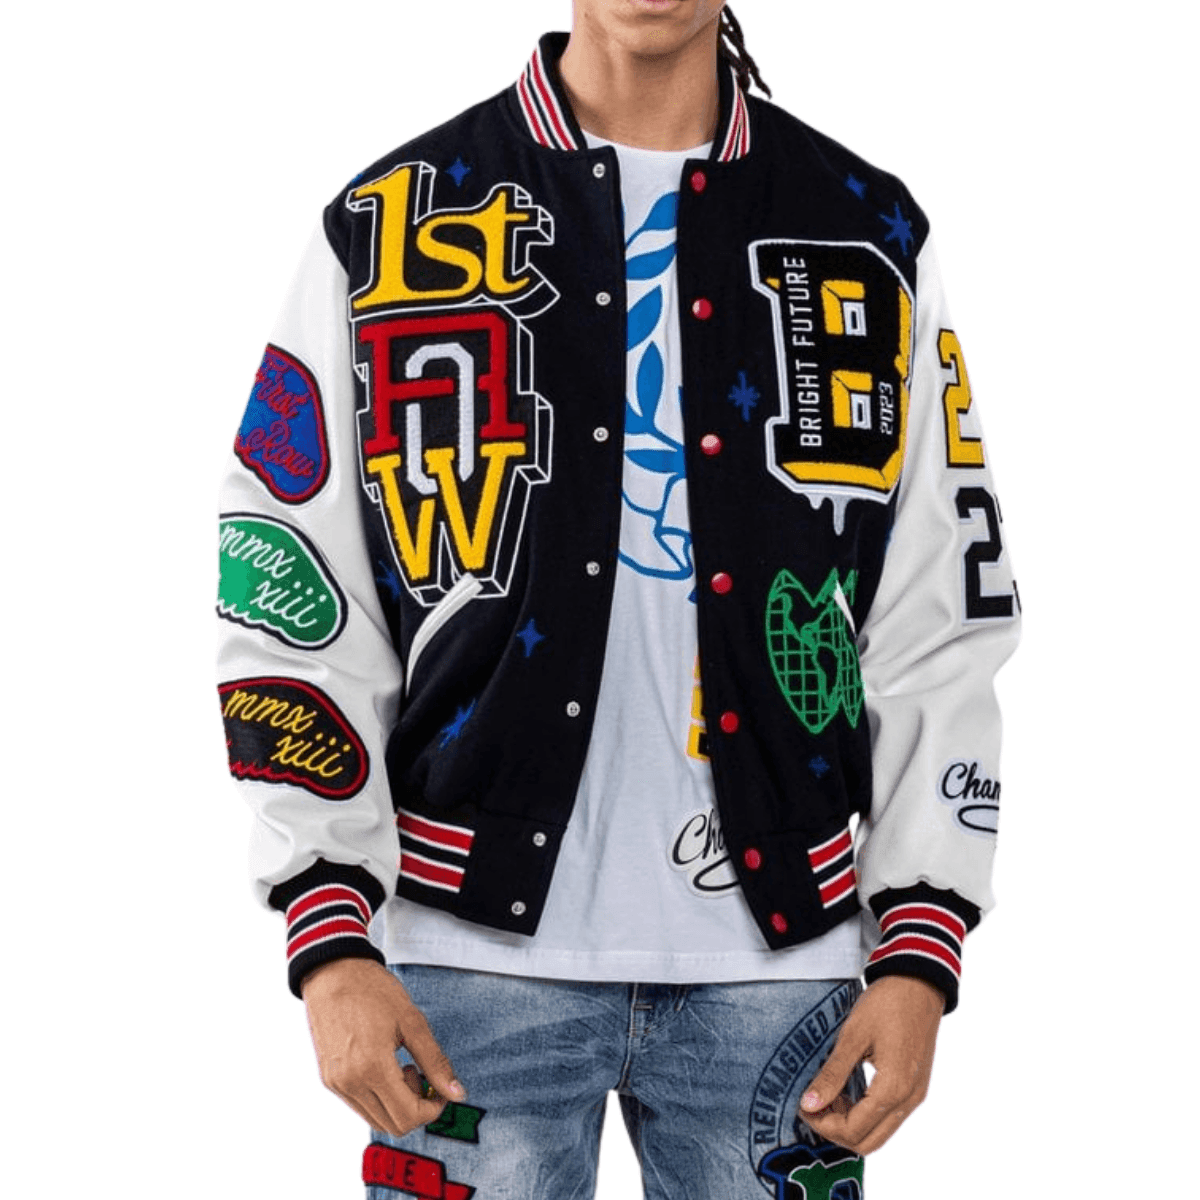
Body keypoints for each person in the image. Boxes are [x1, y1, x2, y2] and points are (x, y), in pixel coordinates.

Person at [217, 2, 1020, 1196]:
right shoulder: (390, 222)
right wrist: (327, 934)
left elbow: (939, 609)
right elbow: (289, 582)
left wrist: (919, 941)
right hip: (458, 969)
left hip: (784, 974)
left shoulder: (863, 227)